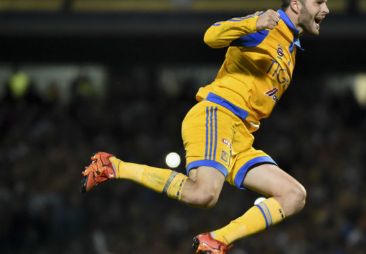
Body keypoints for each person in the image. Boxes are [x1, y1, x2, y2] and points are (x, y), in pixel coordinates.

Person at [81, 0, 330, 253]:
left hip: (242, 137)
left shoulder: (290, 47)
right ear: (296, 4)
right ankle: (114, 167)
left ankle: (217, 240)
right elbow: (211, 36)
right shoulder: (266, 25)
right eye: (319, 1)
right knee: (203, 194)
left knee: (293, 195)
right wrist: (254, 22)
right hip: (218, 114)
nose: (326, 9)